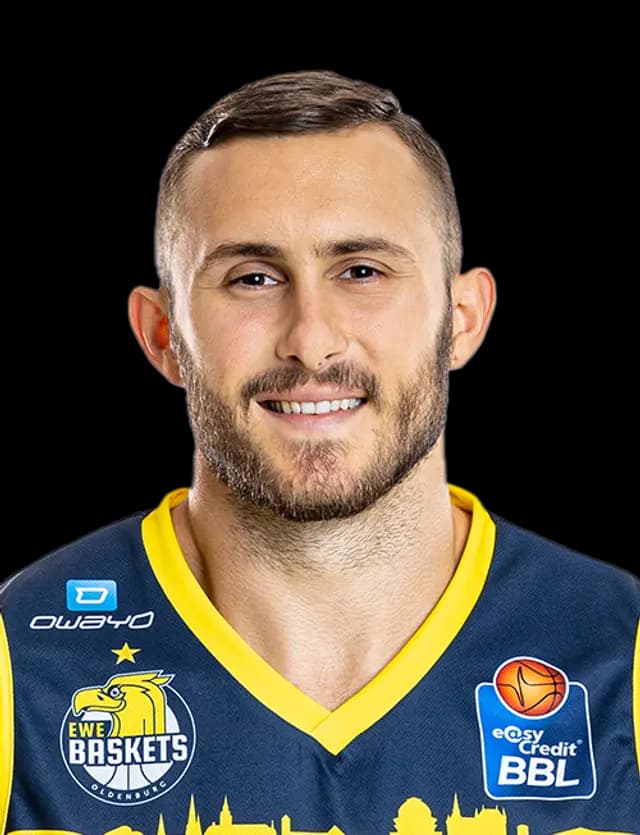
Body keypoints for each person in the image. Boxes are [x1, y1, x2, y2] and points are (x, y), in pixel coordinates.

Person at [0, 69, 637, 835]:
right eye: (253, 278)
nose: (311, 339)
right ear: (163, 336)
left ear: (463, 318)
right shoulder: (18, 662)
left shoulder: (621, 652)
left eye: (361, 271)